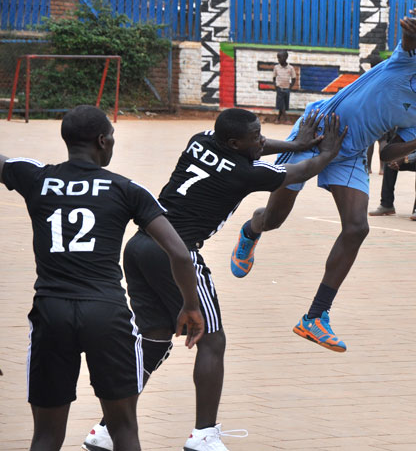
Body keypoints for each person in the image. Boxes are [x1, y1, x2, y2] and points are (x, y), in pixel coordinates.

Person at [86, 108, 346, 451]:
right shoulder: (243, 174)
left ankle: (107, 430)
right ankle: (204, 435)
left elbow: (256, 146)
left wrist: (296, 143)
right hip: (177, 254)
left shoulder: (201, 140)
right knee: (212, 340)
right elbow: (300, 171)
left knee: (154, 340)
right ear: (235, 143)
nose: (262, 140)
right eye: (256, 137)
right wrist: (326, 152)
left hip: (138, 248)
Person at [229, 8, 416, 352]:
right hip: (317, 132)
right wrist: (414, 30)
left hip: (351, 152)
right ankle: (251, 230)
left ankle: (315, 316)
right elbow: (409, 41)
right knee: (274, 219)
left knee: (358, 228)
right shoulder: (412, 64)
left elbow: (389, 153)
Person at [0, 105, 204, 451]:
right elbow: (181, 254)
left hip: (51, 311)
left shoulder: (35, 177)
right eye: (112, 137)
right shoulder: (126, 189)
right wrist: (190, 306)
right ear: (102, 141)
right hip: (107, 314)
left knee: (46, 436)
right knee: (124, 430)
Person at [368, 129, 416, 221]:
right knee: (390, 161)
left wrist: (404, 159)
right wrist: (397, 158)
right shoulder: (409, 125)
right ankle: (386, 204)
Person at [273, 50, 298, 124]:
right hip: (279, 88)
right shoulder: (276, 67)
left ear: (286, 57)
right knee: (281, 104)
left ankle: (277, 119)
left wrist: (290, 87)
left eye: (280, 58)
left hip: (287, 89)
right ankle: (287, 119)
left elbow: (293, 78)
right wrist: (275, 86)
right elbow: (274, 77)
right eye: (278, 58)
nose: (279, 60)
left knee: (283, 104)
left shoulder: (290, 68)